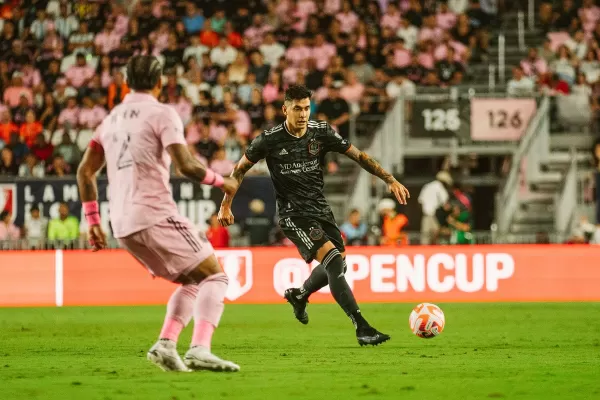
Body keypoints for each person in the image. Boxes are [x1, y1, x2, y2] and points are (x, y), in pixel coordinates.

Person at [76, 55, 240, 373]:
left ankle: (166, 344)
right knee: (215, 276)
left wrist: (93, 221)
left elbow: (85, 172)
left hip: (122, 224)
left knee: (193, 281)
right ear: (160, 81)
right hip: (153, 213)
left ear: (126, 83)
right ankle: (200, 349)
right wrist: (225, 183)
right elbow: (187, 166)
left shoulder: (109, 121)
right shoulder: (162, 113)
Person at [218, 84, 410, 346]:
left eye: (307, 108)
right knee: (332, 261)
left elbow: (358, 156)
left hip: (321, 210)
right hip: (293, 215)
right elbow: (239, 170)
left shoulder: (321, 132)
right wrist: (225, 205)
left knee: (339, 264)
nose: (303, 114)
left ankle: (300, 294)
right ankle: (362, 327)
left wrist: (389, 179)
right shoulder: (269, 139)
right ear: (285, 109)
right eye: (297, 108)